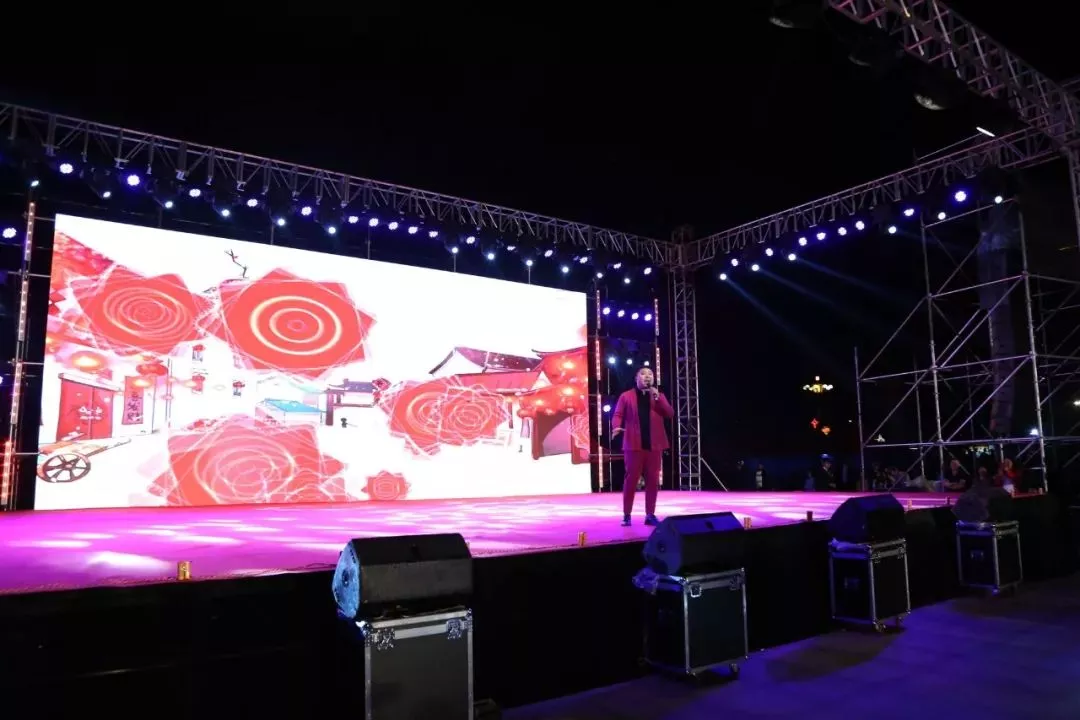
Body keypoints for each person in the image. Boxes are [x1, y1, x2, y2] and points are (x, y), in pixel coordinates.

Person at [612, 366, 674, 526]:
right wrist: (616, 427)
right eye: (643, 374)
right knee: (631, 480)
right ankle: (627, 515)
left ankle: (650, 514)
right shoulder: (626, 396)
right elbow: (618, 414)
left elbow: (669, 414)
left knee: (653, 480)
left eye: (650, 374)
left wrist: (658, 398)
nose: (647, 376)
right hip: (634, 445)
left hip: (654, 445)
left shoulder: (658, 396)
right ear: (636, 378)